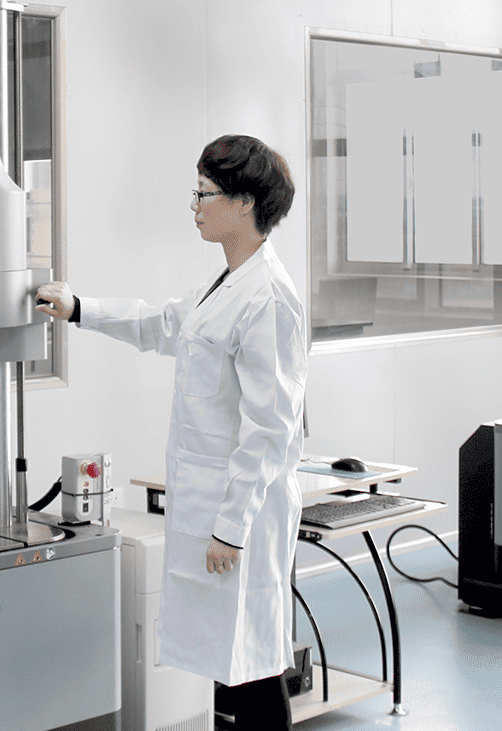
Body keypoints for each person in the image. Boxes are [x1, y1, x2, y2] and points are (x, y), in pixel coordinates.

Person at [36, 134, 306, 729]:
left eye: (203, 194)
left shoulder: (269, 298)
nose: (194, 207)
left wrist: (232, 531)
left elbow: (270, 429)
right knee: (225, 660)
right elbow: (162, 324)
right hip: (207, 501)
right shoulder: (227, 283)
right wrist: (80, 307)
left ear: (243, 203)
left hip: (242, 515)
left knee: (252, 663)